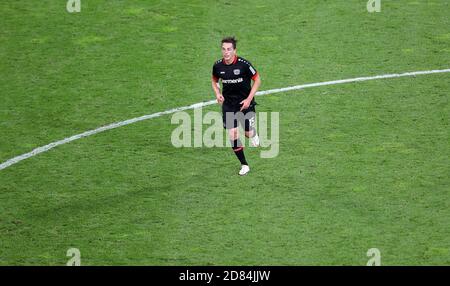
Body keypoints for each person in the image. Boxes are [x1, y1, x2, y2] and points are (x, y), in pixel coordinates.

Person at [211, 36, 261, 176]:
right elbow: (214, 80)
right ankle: (244, 164)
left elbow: (257, 80)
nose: (226, 52)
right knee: (233, 133)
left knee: (247, 132)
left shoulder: (244, 64)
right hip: (229, 104)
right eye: (223, 49)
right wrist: (217, 93)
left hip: (245, 103)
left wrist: (248, 99)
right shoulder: (217, 66)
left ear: (234, 50)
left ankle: (254, 134)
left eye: (229, 49)